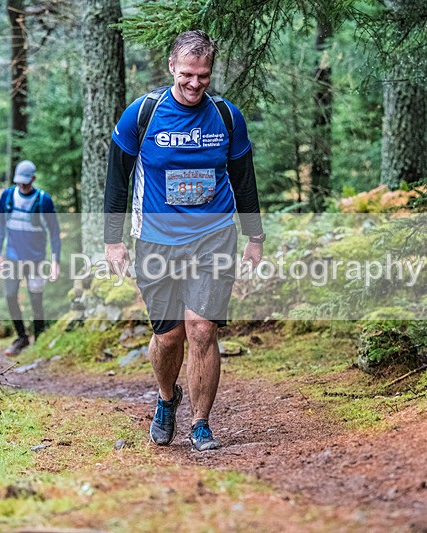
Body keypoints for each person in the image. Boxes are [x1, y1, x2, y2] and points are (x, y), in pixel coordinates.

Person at [104, 30, 264, 451]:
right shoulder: (142, 115)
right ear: (172, 67)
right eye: (188, 75)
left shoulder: (227, 117)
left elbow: (244, 180)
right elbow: (117, 180)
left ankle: (201, 423)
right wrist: (113, 240)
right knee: (169, 336)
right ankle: (166, 398)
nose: (195, 84)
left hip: (213, 237)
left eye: (204, 77)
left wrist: (255, 236)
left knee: (201, 329)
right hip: (155, 241)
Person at [0, 160, 61, 356]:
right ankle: (21, 337)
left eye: (26, 182)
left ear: (33, 179)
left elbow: (54, 233)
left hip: (36, 260)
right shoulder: (7, 197)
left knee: (36, 299)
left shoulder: (43, 200)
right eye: (19, 182)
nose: (22, 186)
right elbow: (0, 227)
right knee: (10, 295)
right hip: (13, 257)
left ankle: (39, 337)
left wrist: (55, 261)